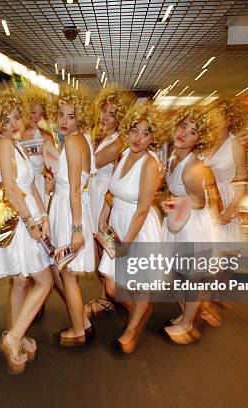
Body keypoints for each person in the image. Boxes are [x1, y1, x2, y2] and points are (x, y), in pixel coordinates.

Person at [0, 89, 53, 375]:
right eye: (6, 119)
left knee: (21, 282)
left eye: (16, 117)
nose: (13, 123)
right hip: (20, 223)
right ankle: (12, 338)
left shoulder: (17, 144)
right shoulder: (3, 145)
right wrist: (31, 222)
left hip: (29, 219)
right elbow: (11, 189)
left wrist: (44, 215)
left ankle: (18, 336)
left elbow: (32, 185)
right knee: (45, 282)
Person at [98, 104, 165, 353]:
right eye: (135, 131)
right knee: (112, 286)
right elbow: (113, 190)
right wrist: (104, 214)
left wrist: (127, 243)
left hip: (139, 228)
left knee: (140, 283)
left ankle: (131, 331)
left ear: (153, 137)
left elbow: (143, 209)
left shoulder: (149, 164)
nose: (138, 138)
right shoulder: (124, 153)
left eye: (145, 133)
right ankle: (139, 309)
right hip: (118, 223)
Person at [159, 105, 218, 345]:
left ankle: (188, 324)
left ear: (199, 139)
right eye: (183, 126)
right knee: (172, 273)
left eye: (193, 131)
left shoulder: (192, 169)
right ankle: (188, 315)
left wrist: (175, 202)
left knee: (190, 276)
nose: (184, 133)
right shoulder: (174, 156)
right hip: (179, 218)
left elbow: (200, 201)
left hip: (191, 223)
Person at [48, 86, 96, 346]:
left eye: (70, 116)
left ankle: (78, 330)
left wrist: (77, 228)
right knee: (65, 273)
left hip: (70, 211)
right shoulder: (81, 138)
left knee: (67, 275)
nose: (64, 121)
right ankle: (83, 322)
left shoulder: (75, 141)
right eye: (61, 115)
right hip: (69, 206)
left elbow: (75, 187)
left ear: (80, 118)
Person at [200, 97, 248, 323]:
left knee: (223, 255)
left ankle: (211, 298)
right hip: (204, 201)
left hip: (224, 202)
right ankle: (206, 298)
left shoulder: (235, 145)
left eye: (216, 115)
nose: (211, 118)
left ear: (228, 119)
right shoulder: (203, 140)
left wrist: (230, 210)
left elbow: (242, 182)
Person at [85, 86, 133, 319]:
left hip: (106, 199)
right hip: (97, 196)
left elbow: (90, 163)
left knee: (106, 251)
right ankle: (107, 298)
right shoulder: (105, 135)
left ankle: (119, 300)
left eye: (111, 113)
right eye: (103, 110)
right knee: (101, 251)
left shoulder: (117, 141)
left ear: (120, 118)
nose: (104, 116)